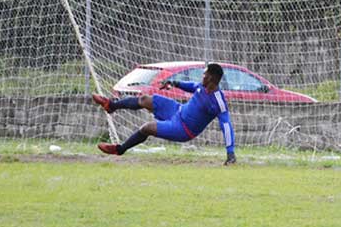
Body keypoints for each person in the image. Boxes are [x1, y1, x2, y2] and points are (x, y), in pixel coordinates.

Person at [93, 63, 236, 166]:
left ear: (210, 78)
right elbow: (192, 86)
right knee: (144, 99)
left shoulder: (218, 101)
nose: (202, 76)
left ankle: (119, 149)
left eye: (204, 74)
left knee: (147, 128)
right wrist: (175, 83)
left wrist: (230, 153)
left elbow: (226, 125)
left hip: (183, 129)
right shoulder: (202, 86)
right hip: (176, 110)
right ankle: (111, 106)